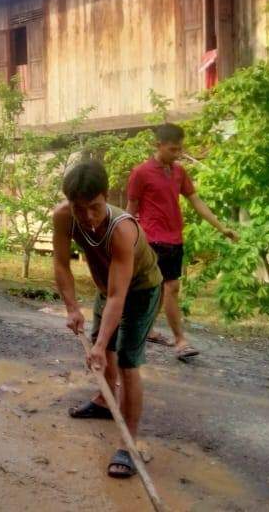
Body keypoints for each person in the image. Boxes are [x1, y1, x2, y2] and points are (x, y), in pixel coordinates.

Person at [54, 160, 162, 479]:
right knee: (107, 354)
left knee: (126, 363)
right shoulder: (63, 217)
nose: (88, 217)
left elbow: (120, 296)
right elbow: (61, 265)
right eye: (79, 208)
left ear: (106, 196)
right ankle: (104, 401)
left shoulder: (122, 229)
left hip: (141, 291)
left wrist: (98, 344)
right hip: (107, 288)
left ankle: (127, 444)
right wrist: (72, 307)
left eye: (95, 206)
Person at [127, 123, 237, 360]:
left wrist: (221, 227)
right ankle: (180, 341)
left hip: (174, 239)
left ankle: (144, 329)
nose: (177, 155)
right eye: (173, 150)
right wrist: (126, 238)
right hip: (151, 240)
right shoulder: (141, 173)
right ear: (158, 146)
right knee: (171, 287)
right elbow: (131, 209)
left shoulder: (179, 172)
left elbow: (196, 201)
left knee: (156, 290)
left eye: (179, 150)